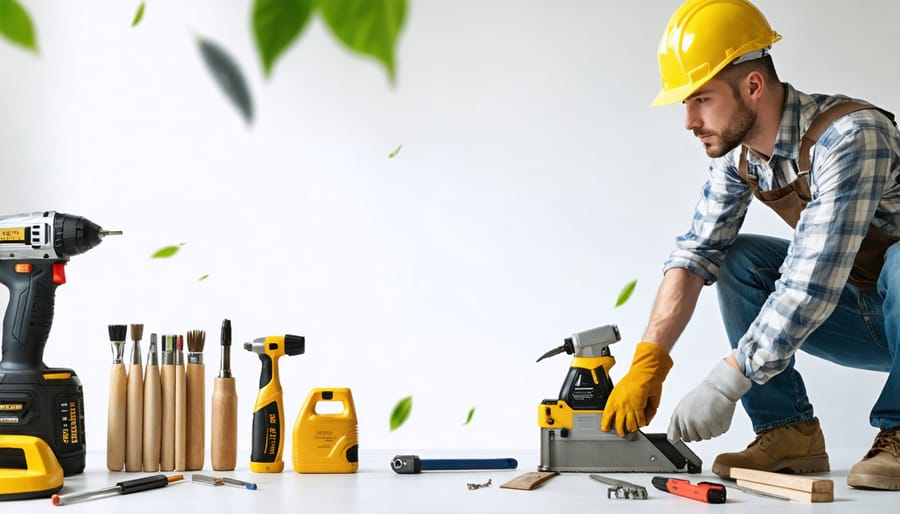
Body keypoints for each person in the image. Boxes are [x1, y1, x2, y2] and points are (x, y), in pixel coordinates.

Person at [598, 0, 900, 491]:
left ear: (753, 86)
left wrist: (727, 380)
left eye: (701, 99)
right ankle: (788, 433)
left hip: (891, 305)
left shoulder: (852, 137)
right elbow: (696, 253)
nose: (689, 121)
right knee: (739, 260)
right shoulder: (739, 155)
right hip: (864, 315)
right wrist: (649, 362)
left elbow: (811, 281)